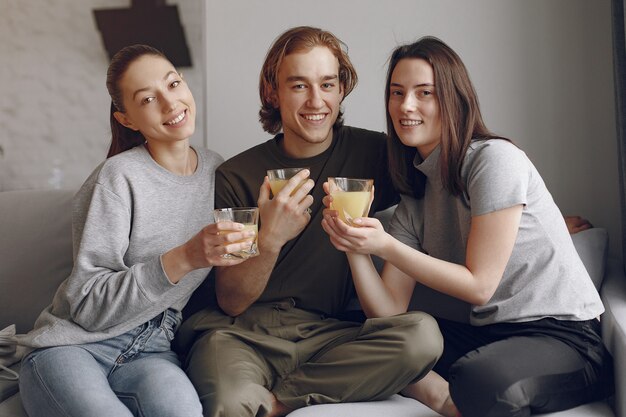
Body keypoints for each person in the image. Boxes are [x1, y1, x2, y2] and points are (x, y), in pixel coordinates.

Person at [322, 36, 613, 417]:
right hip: (489, 335)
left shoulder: (494, 160)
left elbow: (480, 286)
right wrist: (354, 246)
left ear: (453, 100)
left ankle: (441, 396)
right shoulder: (417, 193)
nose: (406, 106)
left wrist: (386, 246)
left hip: (563, 337)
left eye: (424, 93)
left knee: (478, 379)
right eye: (397, 93)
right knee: (347, 332)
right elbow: (388, 313)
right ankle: (443, 391)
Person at [175, 26, 444, 417]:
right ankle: (266, 395)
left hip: (326, 334)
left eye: (328, 84)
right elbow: (231, 300)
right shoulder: (238, 175)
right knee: (229, 404)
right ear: (274, 92)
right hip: (238, 335)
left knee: (420, 337)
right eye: (299, 86)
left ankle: (276, 403)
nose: (316, 101)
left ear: (341, 89)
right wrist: (271, 237)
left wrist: (510, 214)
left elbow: (446, 180)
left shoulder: (377, 155)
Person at [16, 44, 256, 417]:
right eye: (147, 99)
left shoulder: (217, 170)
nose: (170, 103)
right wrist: (184, 257)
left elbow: (233, 279)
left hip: (153, 349)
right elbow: (87, 306)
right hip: (73, 346)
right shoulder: (117, 178)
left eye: (173, 84)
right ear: (127, 119)